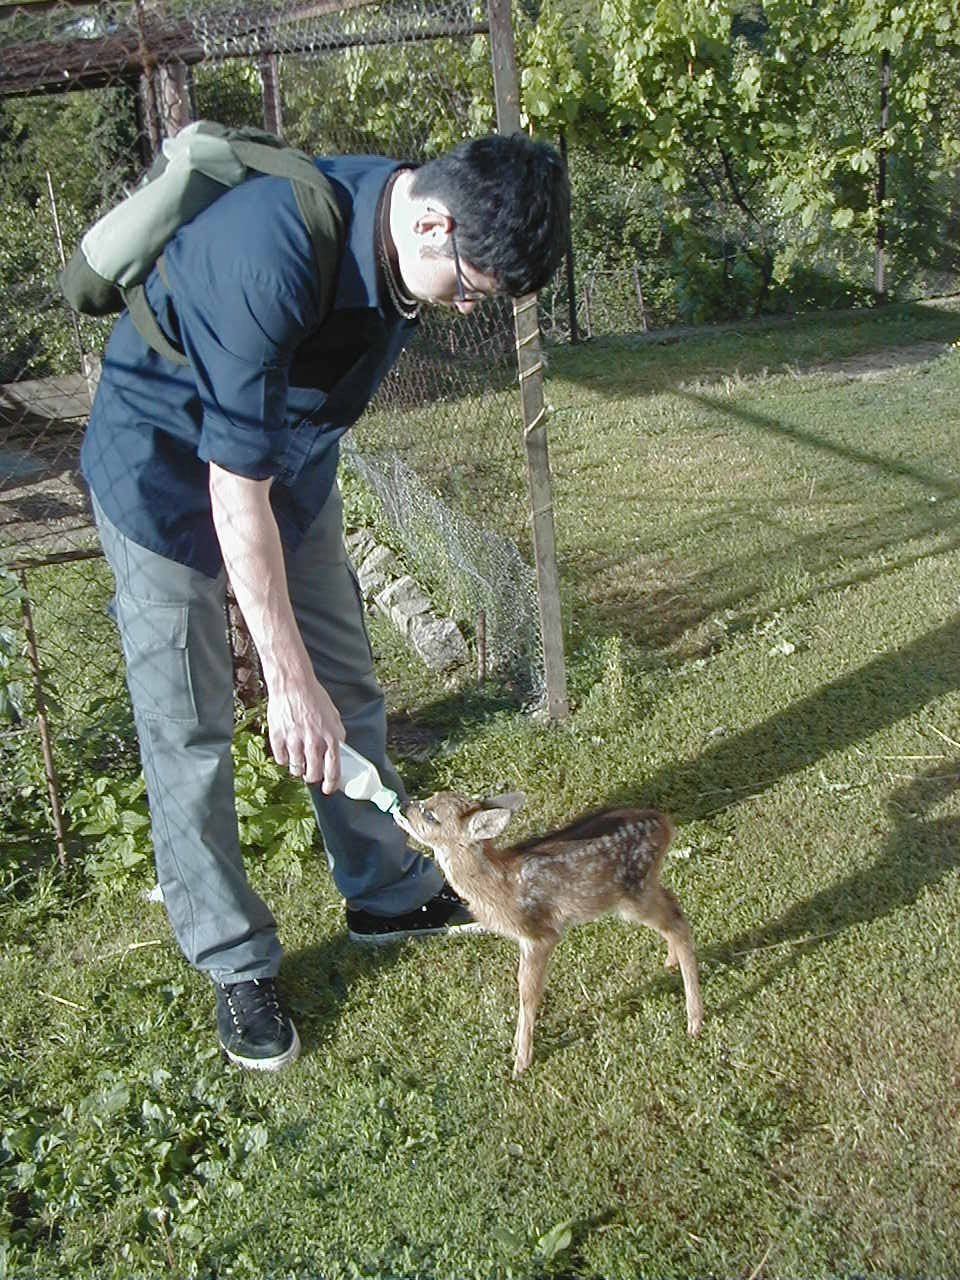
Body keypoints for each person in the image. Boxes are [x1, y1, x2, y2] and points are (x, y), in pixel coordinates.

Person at [80, 129, 570, 1071]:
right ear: (432, 222)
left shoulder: (403, 243)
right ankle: (235, 963)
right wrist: (282, 676)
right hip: (164, 476)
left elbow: (268, 474)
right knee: (190, 727)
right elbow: (231, 492)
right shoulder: (270, 254)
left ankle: (384, 892)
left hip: (288, 470)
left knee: (345, 677)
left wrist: (312, 677)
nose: (469, 307)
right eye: (471, 286)